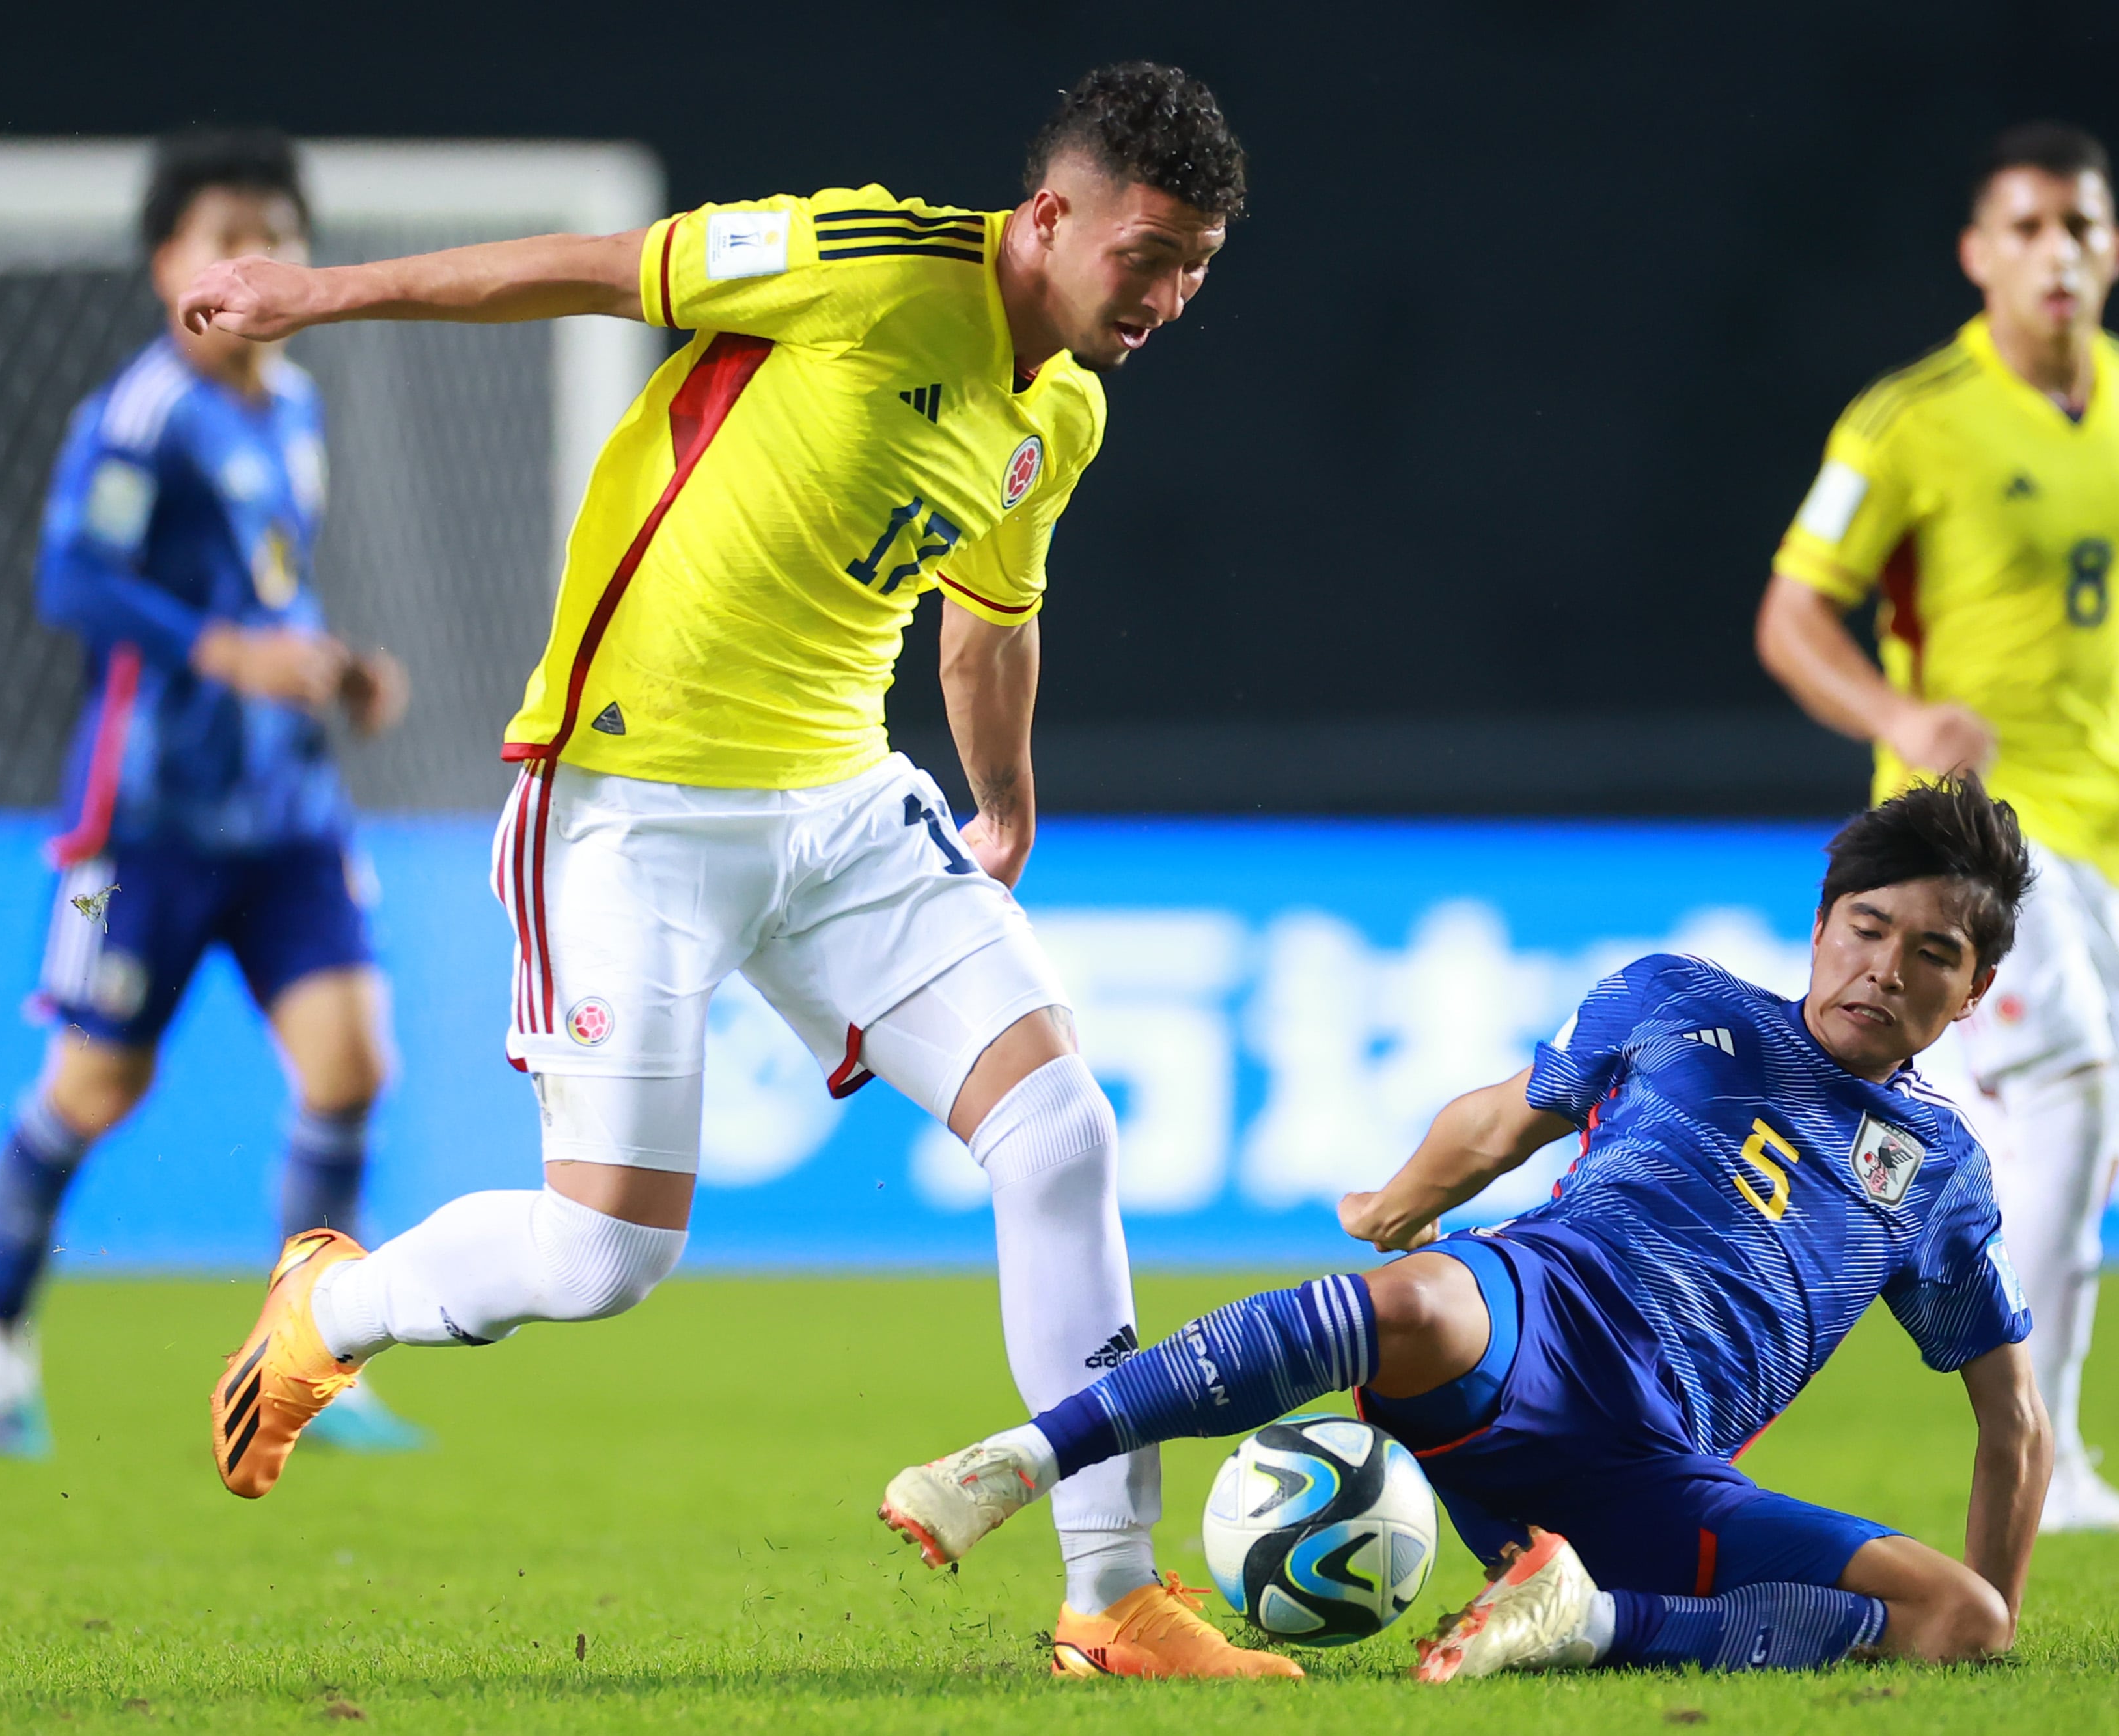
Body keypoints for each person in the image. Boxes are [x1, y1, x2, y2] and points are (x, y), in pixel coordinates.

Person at [176, 65, 1293, 1680]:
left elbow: (988, 620)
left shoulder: (1061, 409)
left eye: (1195, 267)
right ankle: (326, 1314)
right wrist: (317, 294)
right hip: (630, 803)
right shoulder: (866, 262)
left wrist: (1002, 801)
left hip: (843, 806)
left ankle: (1109, 1592)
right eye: (1148, 254)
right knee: (608, 1255)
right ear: (1049, 215)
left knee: (1060, 1131)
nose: (1168, 296)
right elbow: (589, 269)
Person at [884, 778, 2053, 1680]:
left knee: (1961, 1616)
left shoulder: (1940, 1172)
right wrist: (1403, 1200)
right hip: (1540, 1317)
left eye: (1931, 954)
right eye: (1867, 929)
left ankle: (1579, 1618)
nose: (1883, 970)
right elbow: (1499, 1123)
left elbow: (2014, 1418)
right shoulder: (1681, 1001)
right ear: (1822, 925)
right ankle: (1015, 1464)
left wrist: (1995, 1616)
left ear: (1974, 991)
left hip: (1657, 1465)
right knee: (1414, 1300)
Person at [1753, 122, 2119, 1532]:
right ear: (1978, 254)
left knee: (2067, 1135)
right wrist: (1900, 711)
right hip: (1964, 840)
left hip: (2107, 835)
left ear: (2114, 247)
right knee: (2073, 1085)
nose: (2054, 252)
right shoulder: (1907, 422)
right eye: (2024, 228)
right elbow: (1791, 617)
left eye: (2077, 226)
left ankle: (1867, 1259)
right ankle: (2043, 1453)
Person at [0, 129, 420, 1461]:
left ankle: (306, 1355)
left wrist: (335, 671)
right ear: (169, 265)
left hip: (287, 813)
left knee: (351, 1066)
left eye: (277, 234)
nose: (254, 257)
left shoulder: (295, 407)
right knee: (96, 1086)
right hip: (135, 828)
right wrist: (227, 655)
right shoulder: (140, 414)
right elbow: (72, 581)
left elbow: (269, 590)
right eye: (226, 236)